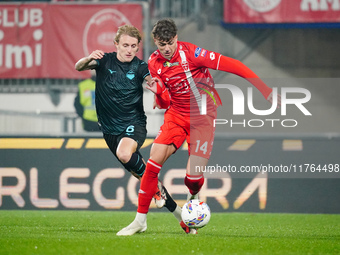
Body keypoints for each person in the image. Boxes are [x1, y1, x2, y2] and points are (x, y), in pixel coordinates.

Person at [117, 18, 279, 236]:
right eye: (161, 45)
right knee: (154, 161)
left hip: (203, 117)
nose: (166, 49)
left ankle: (192, 200)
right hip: (176, 115)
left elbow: (236, 66)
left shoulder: (193, 54)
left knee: (192, 179)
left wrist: (265, 89)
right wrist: (158, 92)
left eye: (169, 43)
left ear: (176, 38)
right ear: (155, 42)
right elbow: (164, 102)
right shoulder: (154, 63)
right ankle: (140, 220)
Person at [74, 24, 188, 234]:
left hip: (133, 125)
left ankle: (155, 199)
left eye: (133, 46)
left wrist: (157, 88)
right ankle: (180, 215)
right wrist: (88, 57)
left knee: (125, 154)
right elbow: (78, 67)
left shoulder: (141, 67)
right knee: (147, 180)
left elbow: (152, 81)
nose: (129, 50)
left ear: (137, 48)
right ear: (116, 44)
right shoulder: (104, 60)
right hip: (109, 131)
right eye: (125, 45)